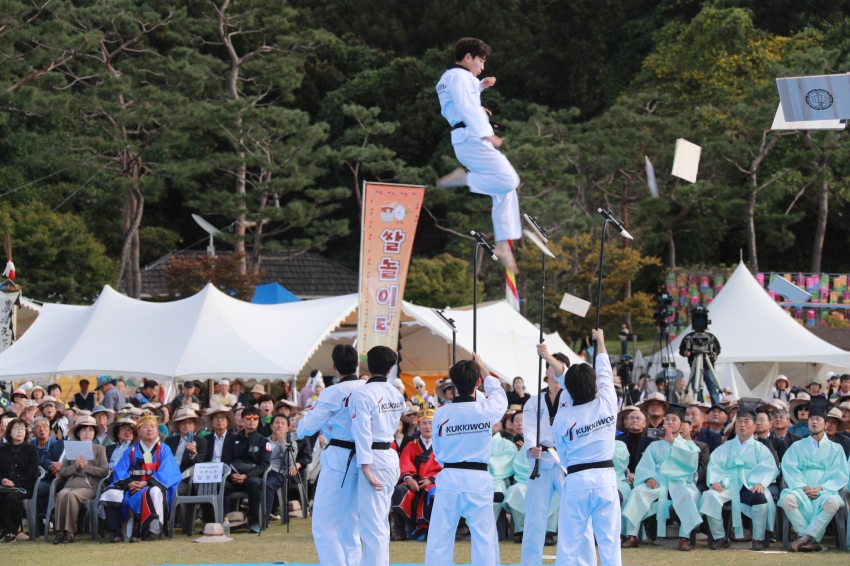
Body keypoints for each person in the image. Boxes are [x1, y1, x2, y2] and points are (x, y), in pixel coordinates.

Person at [435, 37, 521, 273]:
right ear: (468, 57)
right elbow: (467, 107)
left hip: (466, 139)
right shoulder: (459, 77)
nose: (482, 66)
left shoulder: (451, 78)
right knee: (509, 180)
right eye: (480, 61)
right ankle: (464, 179)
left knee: (504, 191)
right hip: (473, 137)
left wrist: (481, 86)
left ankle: (502, 244)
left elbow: (461, 99)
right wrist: (487, 135)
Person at [423, 353, 507, 566]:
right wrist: (481, 367)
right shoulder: (486, 409)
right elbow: (498, 393)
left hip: (449, 476)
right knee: (484, 538)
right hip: (477, 478)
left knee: (440, 537)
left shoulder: (441, 414)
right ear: (478, 383)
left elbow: (438, 451)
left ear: (453, 384)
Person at [551, 328, 621, 566]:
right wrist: (600, 341)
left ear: (568, 390)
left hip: (577, 478)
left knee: (569, 544)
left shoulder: (562, 417)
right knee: (610, 543)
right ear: (594, 384)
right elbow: (604, 372)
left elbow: (561, 452)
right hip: (604, 478)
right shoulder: (607, 402)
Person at [522, 349, 594, 565]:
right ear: (546, 370)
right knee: (534, 518)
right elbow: (529, 428)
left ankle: (585, 562)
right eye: (551, 364)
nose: (554, 368)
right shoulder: (534, 401)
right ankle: (530, 563)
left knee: (579, 515)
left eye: (559, 364)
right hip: (540, 461)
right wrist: (531, 446)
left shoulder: (573, 399)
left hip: (566, 461)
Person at [296, 344, 364, 566]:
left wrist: (300, 424)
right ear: (357, 364)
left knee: (324, 523)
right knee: (351, 520)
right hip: (368, 457)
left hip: (340, 459)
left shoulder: (332, 392)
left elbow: (307, 427)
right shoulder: (368, 388)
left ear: (334, 366)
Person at [349, 346, 406, 566]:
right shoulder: (396, 393)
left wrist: (365, 466)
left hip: (374, 459)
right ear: (390, 369)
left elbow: (362, 432)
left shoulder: (363, 393)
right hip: (389, 456)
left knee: (372, 524)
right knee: (379, 521)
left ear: (366, 365)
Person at [698, 398, 778, 550]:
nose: (742, 425)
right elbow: (715, 465)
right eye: (739, 421)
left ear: (754, 426)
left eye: (747, 421)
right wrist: (716, 480)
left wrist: (761, 483)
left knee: (760, 498)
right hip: (728, 484)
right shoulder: (725, 447)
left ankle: (758, 539)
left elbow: (768, 467)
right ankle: (720, 537)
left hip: (750, 485)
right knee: (710, 496)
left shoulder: (761, 448)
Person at [621, 403, 702, 551]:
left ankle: (684, 537)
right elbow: (645, 466)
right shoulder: (654, 445)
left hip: (680, 483)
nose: (670, 422)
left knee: (689, 495)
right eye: (667, 419)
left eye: (674, 419)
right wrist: (648, 478)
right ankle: (632, 535)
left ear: (681, 425)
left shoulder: (689, 445)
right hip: (658, 482)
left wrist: (673, 442)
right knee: (637, 492)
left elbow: (690, 464)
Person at [780, 396, 850, 552]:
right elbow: (789, 467)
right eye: (811, 419)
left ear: (826, 424)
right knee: (787, 500)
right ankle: (811, 540)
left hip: (825, 491)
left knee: (833, 503)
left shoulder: (836, 449)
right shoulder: (797, 446)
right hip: (801, 490)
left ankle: (803, 538)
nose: (814, 422)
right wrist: (803, 487)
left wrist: (820, 489)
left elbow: (840, 473)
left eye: (818, 419)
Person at [100, 412, 181, 542]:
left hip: (152, 485)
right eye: (145, 426)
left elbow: (169, 472)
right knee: (110, 493)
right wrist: (129, 483)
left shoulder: (164, 449)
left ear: (157, 430)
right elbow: (120, 469)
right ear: (138, 431)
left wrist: (146, 483)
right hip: (131, 487)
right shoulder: (131, 450)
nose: (149, 429)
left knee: (152, 492)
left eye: (152, 426)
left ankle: (141, 531)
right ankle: (116, 532)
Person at [52, 416, 109, 544]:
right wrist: (76, 467)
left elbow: (104, 471)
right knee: (61, 494)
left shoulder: (100, 449)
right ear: (78, 433)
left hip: (90, 485)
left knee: (72, 495)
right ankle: (60, 531)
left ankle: (70, 531)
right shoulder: (72, 449)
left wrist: (85, 467)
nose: (87, 433)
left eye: (90, 430)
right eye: (84, 430)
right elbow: (62, 471)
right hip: (72, 483)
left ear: (94, 433)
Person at [392, 403, 442, 541]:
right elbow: (404, 465)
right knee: (400, 490)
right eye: (424, 423)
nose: (428, 427)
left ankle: (433, 530)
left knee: (435, 494)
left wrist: (431, 480)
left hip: (434, 482)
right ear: (418, 425)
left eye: (431, 423)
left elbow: (446, 468)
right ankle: (400, 530)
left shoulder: (442, 445)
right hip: (414, 482)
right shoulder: (411, 445)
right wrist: (409, 479)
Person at [221, 405, 270, 533]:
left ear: (258, 420)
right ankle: (216, 521)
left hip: (252, 477)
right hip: (233, 478)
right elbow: (225, 461)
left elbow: (264, 465)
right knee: (217, 484)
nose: (251, 420)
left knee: (253, 483)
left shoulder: (264, 442)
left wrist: (247, 476)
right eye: (248, 418)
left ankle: (254, 522)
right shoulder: (231, 440)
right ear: (242, 420)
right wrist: (232, 474)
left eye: (255, 418)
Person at [266, 414, 311, 524]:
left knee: (269, 484)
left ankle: (264, 516)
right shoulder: (264, 441)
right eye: (277, 423)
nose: (279, 426)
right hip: (262, 471)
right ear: (271, 426)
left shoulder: (291, 442)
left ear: (287, 428)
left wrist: (282, 441)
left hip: (279, 472)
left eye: (283, 424)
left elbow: (290, 462)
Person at [0, 418, 39, 542]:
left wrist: (15, 482)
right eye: (16, 428)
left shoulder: (31, 449)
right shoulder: (2, 450)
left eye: (23, 428)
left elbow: (32, 471)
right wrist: (3, 480)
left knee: (11, 498)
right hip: (4, 485)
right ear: (9, 432)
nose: (20, 431)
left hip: (24, 487)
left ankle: (14, 530)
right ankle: (2, 528)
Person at [164, 407, 208, 495]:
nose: (186, 425)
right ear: (178, 425)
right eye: (183, 422)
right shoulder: (169, 441)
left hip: (185, 479)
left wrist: (193, 453)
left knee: (171, 491)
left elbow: (200, 466)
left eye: (190, 422)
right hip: (167, 476)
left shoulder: (201, 442)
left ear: (195, 425)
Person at [617, 406, 646, 476]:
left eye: (638, 418)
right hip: (621, 477)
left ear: (644, 424)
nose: (634, 420)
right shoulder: (618, 440)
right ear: (626, 422)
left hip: (643, 477)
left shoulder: (651, 441)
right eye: (631, 418)